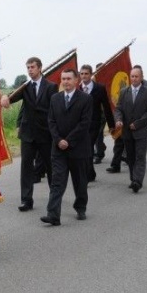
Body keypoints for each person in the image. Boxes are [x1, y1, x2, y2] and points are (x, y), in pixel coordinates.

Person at [1, 57, 58, 211]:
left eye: (32, 67)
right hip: (28, 134)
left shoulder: (51, 86)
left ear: (40, 68)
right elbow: (11, 98)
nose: (30, 70)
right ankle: (26, 200)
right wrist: (5, 97)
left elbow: (54, 110)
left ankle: (54, 198)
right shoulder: (25, 86)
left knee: (50, 167)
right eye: (28, 67)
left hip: (45, 134)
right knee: (26, 168)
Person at [41, 69, 92, 225]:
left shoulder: (86, 99)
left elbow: (84, 123)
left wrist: (68, 141)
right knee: (57, 182)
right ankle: (53, 215)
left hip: (78, 148)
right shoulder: (55, 98)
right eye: (63, 79)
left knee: (80, 182)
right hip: (58, 149)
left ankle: (80, 207)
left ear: (76, 80)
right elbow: (51, 121)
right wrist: (58, 140)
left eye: (69, 79)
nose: (65, 82)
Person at [114, 67, 147, 193]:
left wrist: (138, 124)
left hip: (141, 130)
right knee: (130, 156)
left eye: (136, 76)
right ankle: (133, 179)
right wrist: (118, 120)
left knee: (140, 156)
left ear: (141, 77)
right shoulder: (124, 91)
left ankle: (138, 181)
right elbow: (118, 108)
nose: (134, 79)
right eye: (132, 76)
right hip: (127, 131)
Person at [78, 64, 113, 181]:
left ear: (91, 74)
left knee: (88, 147)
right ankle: (91, 172)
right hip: (81, 125)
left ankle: (87, 175)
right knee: (85, 148)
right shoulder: (77, 88)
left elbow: (106, 106)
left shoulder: (99, 88)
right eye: (82, 74)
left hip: (94, 123)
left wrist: (111, 124)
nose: (84, 76)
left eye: (86, 74)